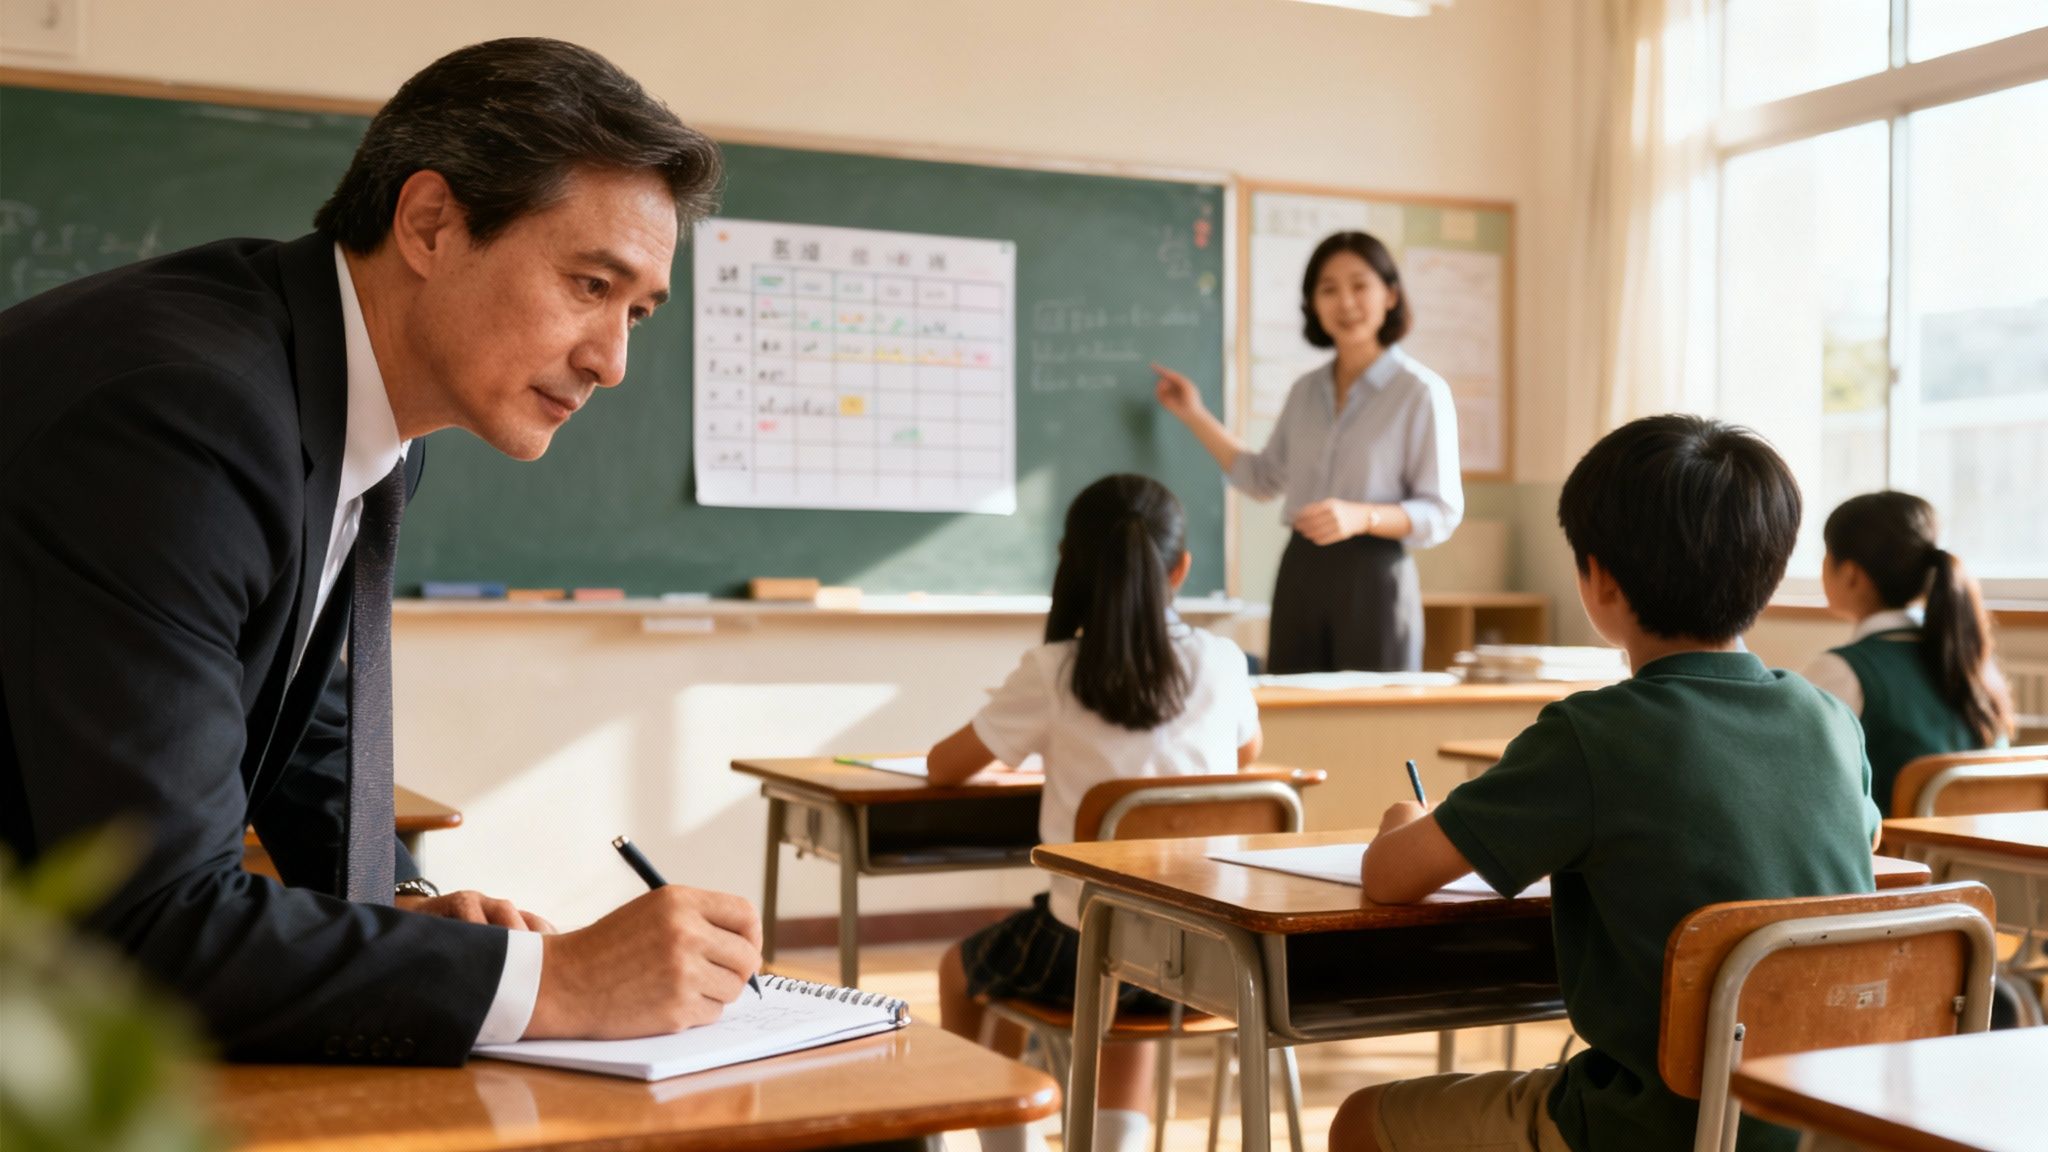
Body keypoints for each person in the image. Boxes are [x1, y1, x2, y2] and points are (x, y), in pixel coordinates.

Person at [0, 37, 761, 1064]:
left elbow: (294, 710)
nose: (612, 360)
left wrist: (402, 903)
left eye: (635, 312)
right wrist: (558, 979)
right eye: (589, 284)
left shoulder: (348, 407)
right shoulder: (184, 418)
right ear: (431, 223)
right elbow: (155, 928)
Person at [1331, 415, 1881, 1152]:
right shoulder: (1828, 719)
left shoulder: (1592, 736)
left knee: (1359, 1122)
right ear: (1771, 571)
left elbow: (1390, 878)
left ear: (1601, 581)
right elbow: (1865, 835)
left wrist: (1406, 817)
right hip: (1828, 1122)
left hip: (1652, 1129)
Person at [925, 474, 1263, 1152]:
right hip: (1212, 952)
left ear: (1071, 567)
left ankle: (993, 1140)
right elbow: (1248, 757)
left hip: (1088, 947)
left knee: (967, 970)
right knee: (1136, 952)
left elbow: (942, 767)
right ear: (1182, 569)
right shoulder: (1224, 662)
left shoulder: (1056, 670)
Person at [1153, 231, 1462, 672]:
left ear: (1390, 294)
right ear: (1313, 304)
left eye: (1360, 285)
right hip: (1301, 572)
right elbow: (1261, 478)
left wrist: (1362, 516)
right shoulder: (1305, 392)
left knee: (1371, 724)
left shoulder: (1421, 392)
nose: (1346, 302)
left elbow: (1441, 511)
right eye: (1328, 289)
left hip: (1373, 578)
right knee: (1295, 715)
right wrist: (1194, 413)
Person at [1803, 491, 2014, 810]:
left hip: (1888, 858)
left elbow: (1799, 781)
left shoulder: (1842, 671)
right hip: (1973, 857)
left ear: (1850, 574)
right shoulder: (1971, 664)